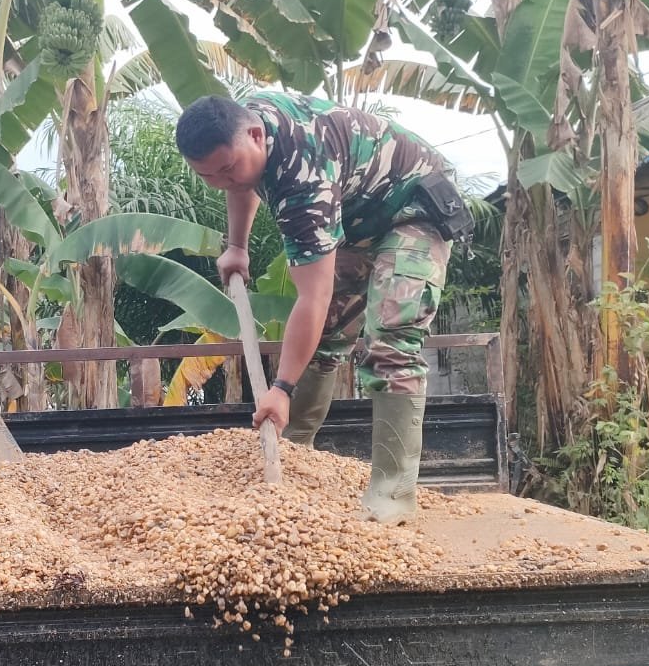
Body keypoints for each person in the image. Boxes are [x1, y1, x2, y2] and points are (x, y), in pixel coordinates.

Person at [175, 93, 474, 525]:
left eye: (227, 168)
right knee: (324, 335)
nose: (221, 181)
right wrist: (237, 246)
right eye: (208, 175)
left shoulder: (302, 178)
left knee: (391, 340)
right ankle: (294, 452)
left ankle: (392, 494)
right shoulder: (240, 124)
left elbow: (312, 297)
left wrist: (281, 388)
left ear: (256, 136)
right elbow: (241, 185)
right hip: (355, 217)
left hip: (413, 209)